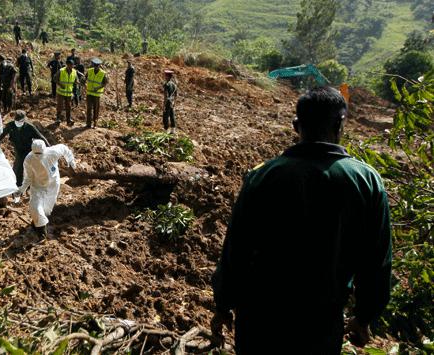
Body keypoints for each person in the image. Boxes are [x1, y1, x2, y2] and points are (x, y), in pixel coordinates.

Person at [211, 87, 392, 354]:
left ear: (296, 125)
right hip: (320, 324)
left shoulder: (263, 176)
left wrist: (223, 303)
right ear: (341, 123)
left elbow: (236, 248)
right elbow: (376, 261)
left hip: (260, 321)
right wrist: (365, 316)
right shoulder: (366, 181)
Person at [16, 140, 76, 238]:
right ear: (32, 151)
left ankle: (36, 223)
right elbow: (28, 177)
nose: (39, 155)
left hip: (53, 184)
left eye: (41, 153)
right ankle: (41, 232)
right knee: (34, 206)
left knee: (47, 209)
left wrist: (71, 161)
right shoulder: (29, 159)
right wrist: (21, 189)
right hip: (38, 186)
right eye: (36, 154)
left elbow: (65, 149)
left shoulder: (53, 152)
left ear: (45, 150)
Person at [0, 110, 49, 186]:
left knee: (28, 167)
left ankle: (29, 185)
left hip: (28, 149)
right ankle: (17, 185)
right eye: (17, 120)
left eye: (21, 121)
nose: (19, 122)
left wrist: (49, 147)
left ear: (24, 120)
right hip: (18, 149)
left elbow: (41, 137)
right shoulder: (11, 125)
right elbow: (3, 134)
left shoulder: (29, 127)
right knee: (18, 167)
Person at [86, 58, 108, 128]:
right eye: (94, 65)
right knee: (89, 108)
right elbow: (84, 78)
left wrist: (98, 88)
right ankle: (88, 123)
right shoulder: (89, 71)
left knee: (96, 109)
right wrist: (83, 82)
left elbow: (105, 83)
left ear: (99, 65)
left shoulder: (103, 73)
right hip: (89, 93)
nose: (96, 67)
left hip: (96, 94)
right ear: (93, 65)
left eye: (97, 65)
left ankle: (95, 123)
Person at [55, 59, 78, 126]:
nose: (71, 67)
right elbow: (54, 78)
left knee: (69, 107)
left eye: (72, 65)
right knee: (60, 106)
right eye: (70, 65)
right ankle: (58, 119)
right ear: (67, 65)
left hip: (69, 93)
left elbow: (76, 81)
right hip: (61, 93)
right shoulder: (61, 71)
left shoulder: (74, 72)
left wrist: (80, 82)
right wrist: (60, 84)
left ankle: (68, 120)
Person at [162, 69, 177, 133]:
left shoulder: (166, 84)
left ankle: (166, 130)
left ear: (167, 76)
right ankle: (173, 130)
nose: (165, 76)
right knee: (172, 115)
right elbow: (176, 95)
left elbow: (165, 96)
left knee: (165, 116)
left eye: (165, 75)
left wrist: (164, 105)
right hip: (172, 102)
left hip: (168, 102)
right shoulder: (174, 85)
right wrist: (174, 103)